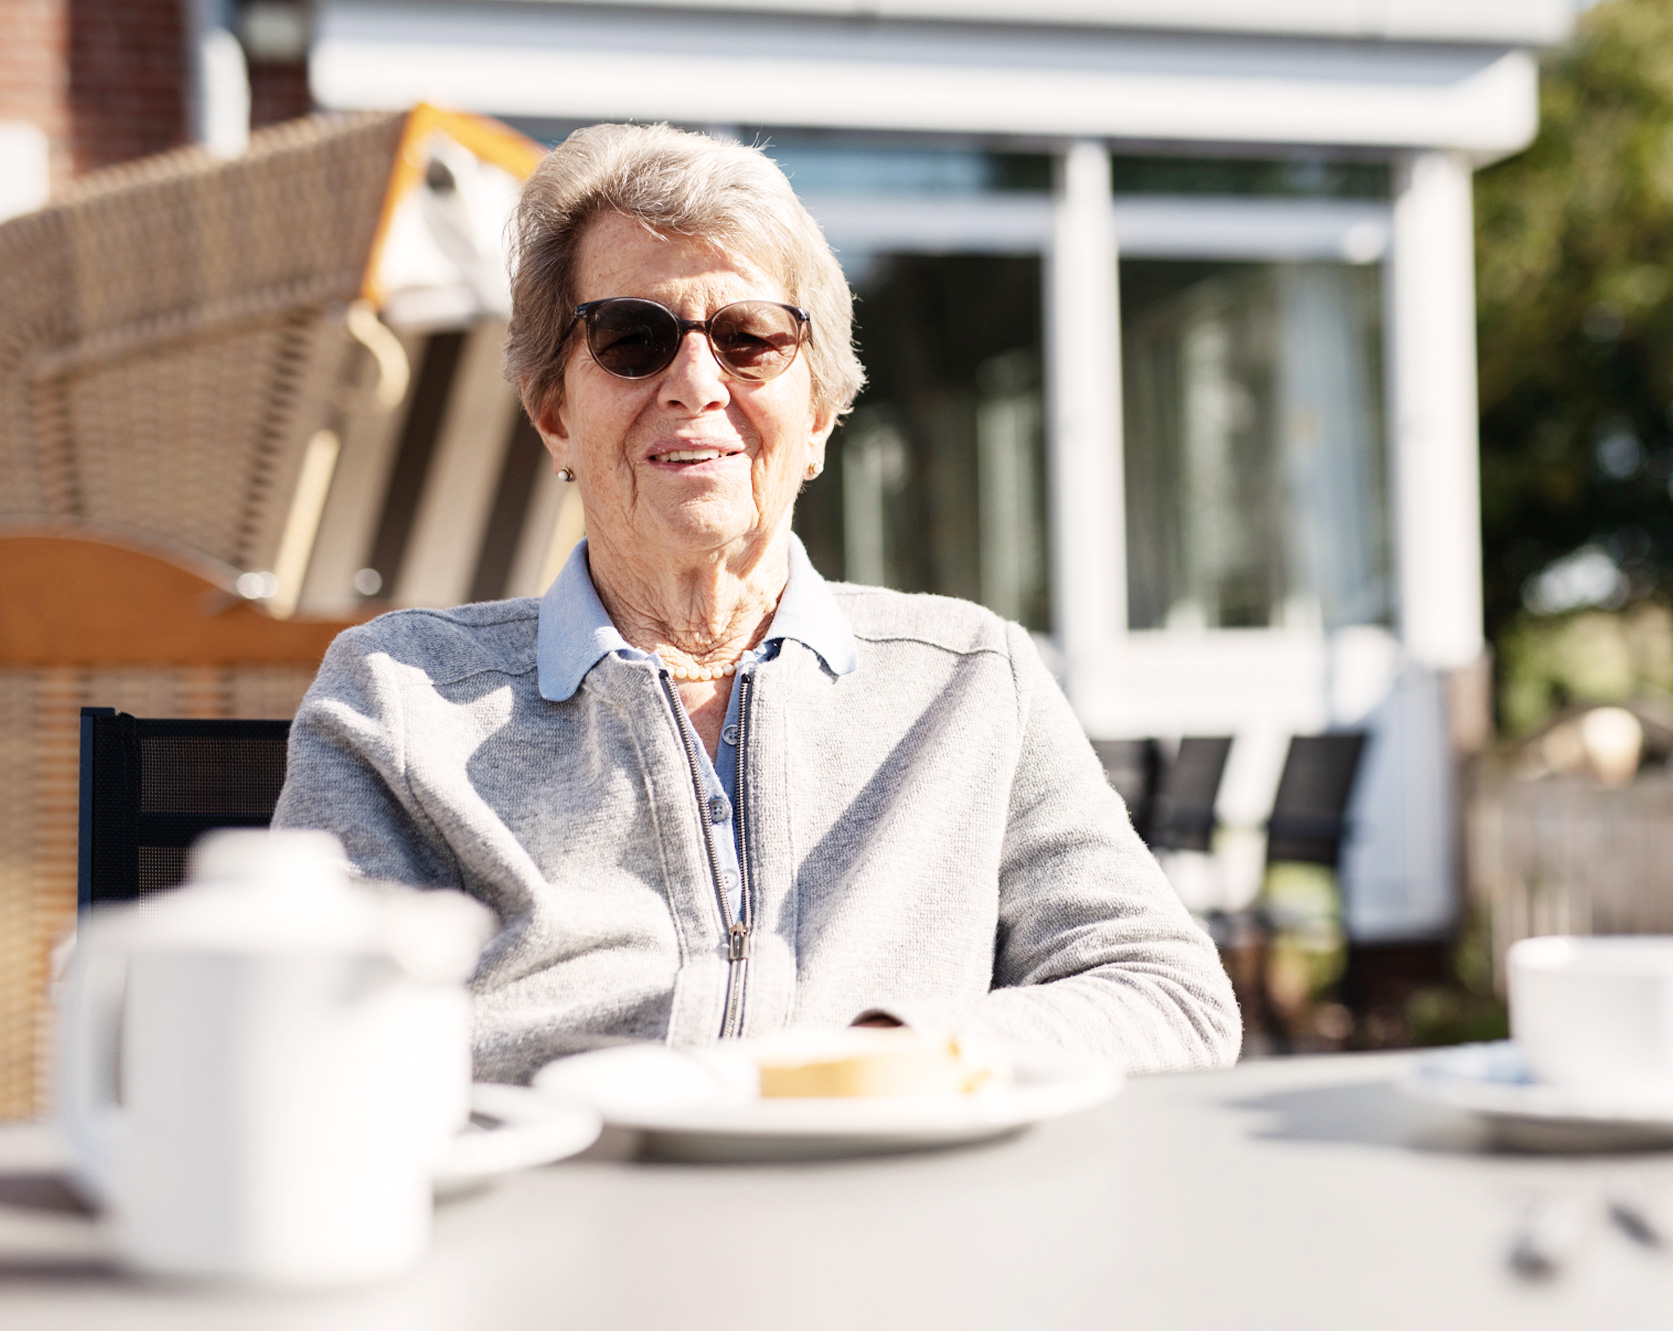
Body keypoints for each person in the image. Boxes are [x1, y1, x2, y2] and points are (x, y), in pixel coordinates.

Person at [273, 123, 1241, 1083]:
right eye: (631, 338)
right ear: (554, 414)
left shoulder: (971, 679)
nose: (696, 384)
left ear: (815, 416)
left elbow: (1168, 994)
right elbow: (299, 1032)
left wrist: (900, 1054)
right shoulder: (402, 698)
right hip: (560, 1167)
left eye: (750, 339)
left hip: (873, 1164)